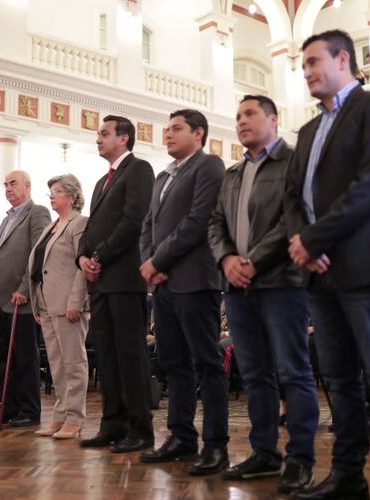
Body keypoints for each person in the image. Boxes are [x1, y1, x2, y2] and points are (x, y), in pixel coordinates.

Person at [284, 30, 370, 500]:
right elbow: (293, 197)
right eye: (302, 66)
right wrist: (302, 242)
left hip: (363, 264)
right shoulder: (306, 130)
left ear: (344, 59)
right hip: (319, 272)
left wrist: (316, 237)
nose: (307, 72)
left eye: (314, 62)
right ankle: (348, 476)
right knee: (339, 381)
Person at [208, 95, 319, 492]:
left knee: (293, 373)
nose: (241, 121)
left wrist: (252, 260)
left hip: (281, 284)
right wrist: (226, 261)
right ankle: (264, 454)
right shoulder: (233, 173)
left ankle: (301, 459)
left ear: (274, 119)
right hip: (237, 287)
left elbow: (294, 219)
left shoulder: (292, 162)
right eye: (237, 115)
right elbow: (216, 224)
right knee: (255, 375)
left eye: (250, 114)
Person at [138, 109, 227, 475]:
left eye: (177, 129)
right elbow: (148, 225)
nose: (168, 134)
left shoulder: (209, 166)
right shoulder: (162, 177)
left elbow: (197, 221)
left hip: (196, 279)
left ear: (198, 133)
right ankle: (181, 437)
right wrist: (149, 262)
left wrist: (156, 261)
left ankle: (217, 446)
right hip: (165, 284)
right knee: (174, 363)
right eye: (167, 128)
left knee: (207, 363)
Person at [77, 115, 155, 453]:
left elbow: (134, 220)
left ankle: (140, 429)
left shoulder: (139, 170)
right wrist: (82, 256)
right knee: (106, 355)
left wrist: (100, 256)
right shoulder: (100, 182)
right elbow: (93, 225)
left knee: (131, 356)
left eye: (104, 134)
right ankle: (112, 424)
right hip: (100, 280)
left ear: (123, 139)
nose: (98, 139)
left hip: (124, 278)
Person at [0, 170, 51, 427]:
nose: (8, 188)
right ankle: (7, 406)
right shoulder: (7, 218)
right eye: (5, 184)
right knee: (0, 357)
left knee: (24, 356)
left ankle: (29, 410)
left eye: (13, 183)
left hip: (20, 298)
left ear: (27, 186)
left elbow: (38, 252)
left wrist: (24, 288)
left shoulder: (37, 213)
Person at [29, 174, 89, 439]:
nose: (51, 196)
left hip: (68, 304)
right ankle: (60, 416)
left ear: (73, 197)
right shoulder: (52, 226)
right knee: (56, 364)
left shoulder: (79, 224)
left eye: (57, 191)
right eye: (50, 192)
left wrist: (76, 302)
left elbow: (81, 267)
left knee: (73, 363)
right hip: (46, 302)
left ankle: (75, 418)